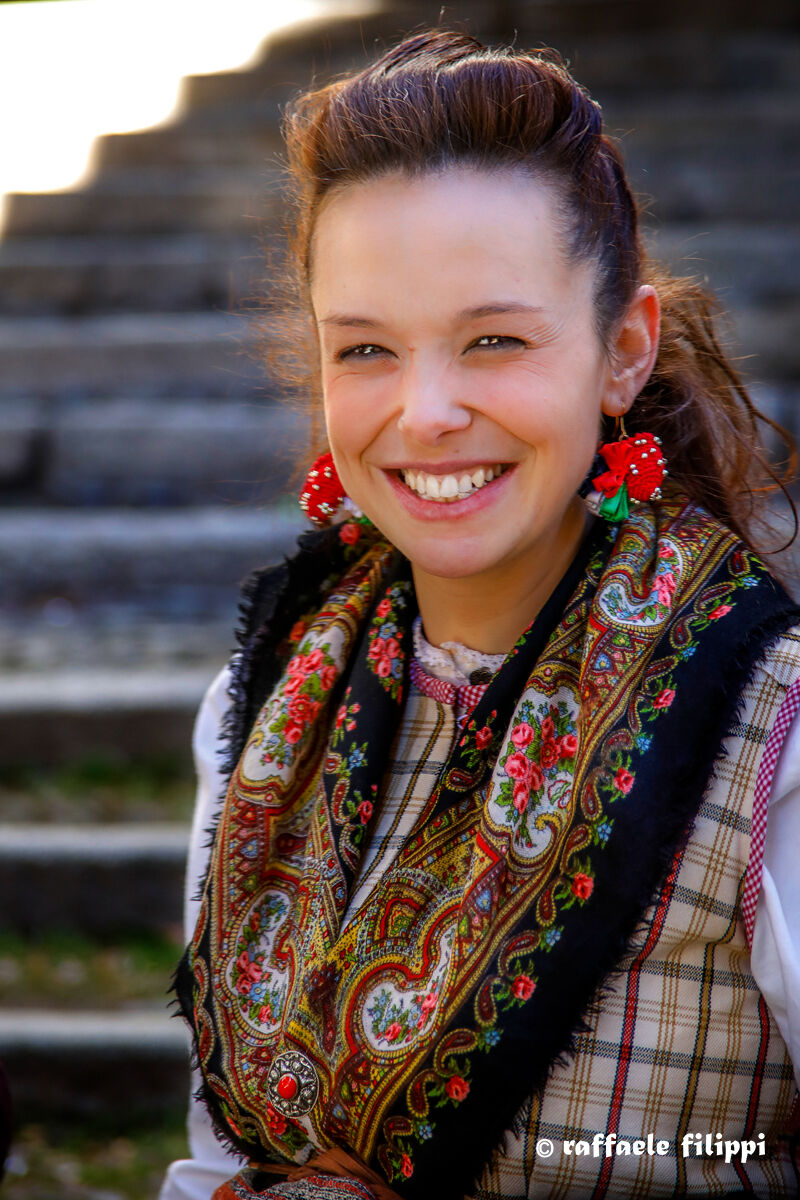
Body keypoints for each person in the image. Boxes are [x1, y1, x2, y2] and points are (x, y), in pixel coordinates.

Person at [160, 29, 800, 1200]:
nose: (425, 411)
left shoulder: (776, 727)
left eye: (492, 339)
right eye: (365, 349)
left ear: (622, 351)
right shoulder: (263, 711)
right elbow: (216, 1165)